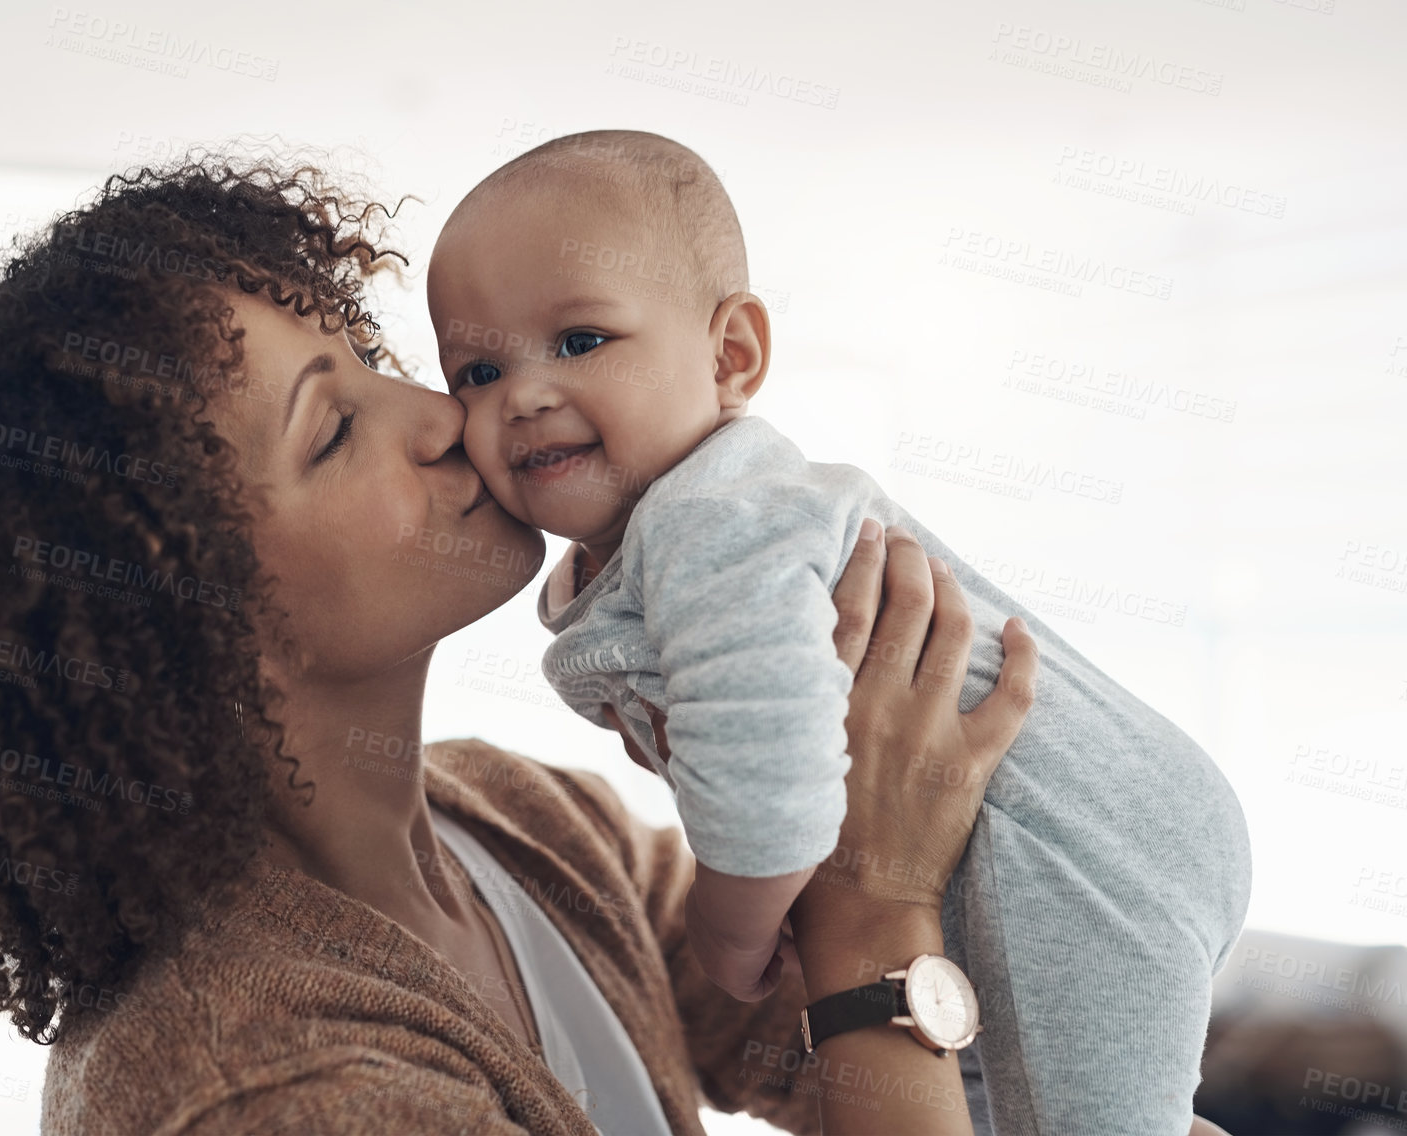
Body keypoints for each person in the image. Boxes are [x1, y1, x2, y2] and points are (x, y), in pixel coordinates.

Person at [0, 151, 1228, 1135]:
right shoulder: (266, 1085)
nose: (445, 413)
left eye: (381, 366)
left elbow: (861, 1055)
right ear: (175, 622)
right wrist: (878, 901)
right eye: (337, 429)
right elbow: (862, 984)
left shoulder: (512, 823)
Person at [425, 128, 1253, 1135]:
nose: (522, 395)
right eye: (473, 369)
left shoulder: (707, 519)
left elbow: (765, 753)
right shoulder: (647, 548)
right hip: (1043, 850)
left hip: (1074, 835)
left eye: (579, 341)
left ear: (730, 356)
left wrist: (731, 927)